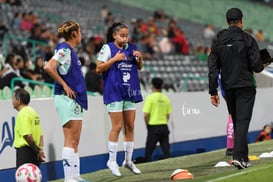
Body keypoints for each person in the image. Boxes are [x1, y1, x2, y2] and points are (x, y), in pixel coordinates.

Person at [208, 8, 266, 170]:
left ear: (227, 22)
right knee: (242, 122)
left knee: (236, 120)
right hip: (246, 86)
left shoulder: (218, 40)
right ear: (241, 21)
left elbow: (212, 67)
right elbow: (257, 67)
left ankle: (243, 157)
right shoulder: (248, 39)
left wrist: (213, 91)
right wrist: (263, 63)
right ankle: (238, 157)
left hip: (228, 88)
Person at [96, 22, 143, 177]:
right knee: (117, 127)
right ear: (114, 35)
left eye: (126, 35)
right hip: (114, 92)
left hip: (130, 91)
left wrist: (140, 59)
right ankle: (112, 161)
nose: (125, 38)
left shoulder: (132, 47)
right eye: (122, 35)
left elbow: (139, 67)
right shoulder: (107, 48)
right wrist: (114, 59)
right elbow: (98, 68)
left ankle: (128, 161)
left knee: (130, 127)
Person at [44, 21, 89, 182]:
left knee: (75, 140)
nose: (81, 34)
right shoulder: (64, 49)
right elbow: (49, 67)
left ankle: (75, 176)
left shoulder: (70, 51)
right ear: (75, 34)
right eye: (80, 31)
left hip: (74, 99)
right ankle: (69, 179)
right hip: (66, 98)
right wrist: (65, 85)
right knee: (70, 139)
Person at [12, 88, 45, 168]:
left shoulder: (23, 113)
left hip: (25, 153)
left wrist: (37, 151)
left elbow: (28, 136)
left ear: (18, 100)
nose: (12, 101)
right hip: (34, 152)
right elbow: (41, 135)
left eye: (13, 98)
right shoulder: (34, 112)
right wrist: (40, 150)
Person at [142, 77, 172, 162]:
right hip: (164, 126)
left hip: (153, 127)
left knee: (149, 151)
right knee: (166, 151)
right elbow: (168, 115)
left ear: (152, 86)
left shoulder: (150, 98)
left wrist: (148, 126)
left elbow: (145, 115)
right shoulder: (166, 98)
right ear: (162, 86)